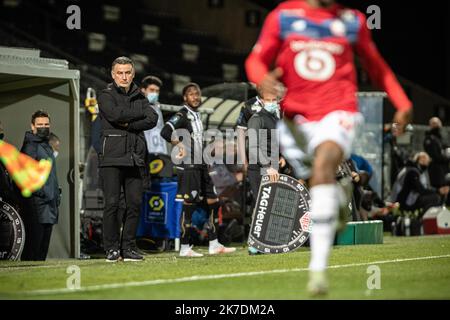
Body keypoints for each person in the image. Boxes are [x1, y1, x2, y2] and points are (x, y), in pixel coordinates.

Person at [245, 0, 412, 295]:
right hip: (297, 118)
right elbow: (254, 61)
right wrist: (264, 80)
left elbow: (378, 67)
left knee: (323, 166)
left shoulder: (353, 21)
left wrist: (403, 103)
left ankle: (317, 271)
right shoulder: (283, 16)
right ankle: (339, 196)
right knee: (316, 180)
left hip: (339, 111)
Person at [160, 83, 236, 257]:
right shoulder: (182, 114)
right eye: (191, 94)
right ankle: (185, 247)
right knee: (190, 204)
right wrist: (179, 144)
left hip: (201, 164)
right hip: (189, 166)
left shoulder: (197, 116)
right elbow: (165, 131)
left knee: (213, 200)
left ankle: (214, 243)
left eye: (197, 93)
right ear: (185, 98)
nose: (195, 97)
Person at [98, 56, 158, 262]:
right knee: (112, 204)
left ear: (133, 74)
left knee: (134, 204)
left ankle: (129, 247)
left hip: (135, 157)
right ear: (113, 75)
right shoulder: (105, 95)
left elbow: (153, 118)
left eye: (127, 73)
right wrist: (136, 114)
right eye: (120, 73)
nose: (124, 76)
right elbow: (114, 115)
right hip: (112, 158)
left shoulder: (140, 97)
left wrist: (129, 123)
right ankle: (112, 249)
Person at [20, 110, 61, 261]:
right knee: (33, 248)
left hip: (49, 205)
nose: (44, 127)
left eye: (46, 124)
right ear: (32, 126)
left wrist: (55, 194)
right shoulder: (30, 146)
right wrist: (42, 192)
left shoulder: (45, 145)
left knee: (42, 249)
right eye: (40, 125)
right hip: (37, 204)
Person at [140, 75, 169, 156]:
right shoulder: (137, 106)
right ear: (143, 90)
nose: (155, 94)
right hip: (143, 151)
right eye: (152, 90)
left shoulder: (157, 107)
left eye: (157, 91)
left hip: (157, 150)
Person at [424, 117, 450, 194]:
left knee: (445, 185)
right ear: (430, 125)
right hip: (435, 169)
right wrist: (447, 158)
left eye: (438, 123)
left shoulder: (440, 138)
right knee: (438, 188)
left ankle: (443, 204)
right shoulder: (429, 139)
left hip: (444, 168)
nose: (436, 125)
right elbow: (435, 156)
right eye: (434, 123)